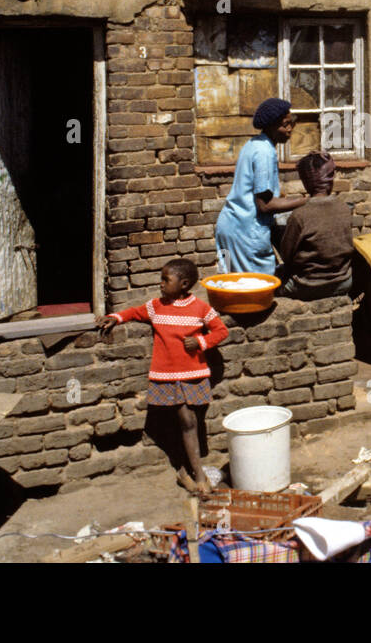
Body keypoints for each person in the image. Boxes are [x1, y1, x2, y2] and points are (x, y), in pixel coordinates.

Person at [97, 258, 228, 495]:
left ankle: (186, 471)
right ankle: (196, 475)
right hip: (168, 375)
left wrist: (200, 341)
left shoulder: (200, 308)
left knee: (191, 422)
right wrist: (116, 317)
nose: (161, 284)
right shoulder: (156, 306)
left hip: (193, 374)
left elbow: (221, 331)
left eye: (166, 280)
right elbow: (134, 313)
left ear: (184, 284)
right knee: (186, 422)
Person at [214, 98, 308, 274]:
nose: (289, 129)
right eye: (285, 125)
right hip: (245, 233)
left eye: (291, 123)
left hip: (227, 229)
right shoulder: (264, 153)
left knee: (226, 280)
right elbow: (265, 205)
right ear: (271, 126)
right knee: (256, 287)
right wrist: (306, 201)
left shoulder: (254, 144)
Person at [277, 151, 354, 299]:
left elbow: (287, 256)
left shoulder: (299, 216)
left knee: (271, 282)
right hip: (343, 282)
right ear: (330, 179)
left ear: (305, 182)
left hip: (308, 286)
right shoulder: (344, 208)